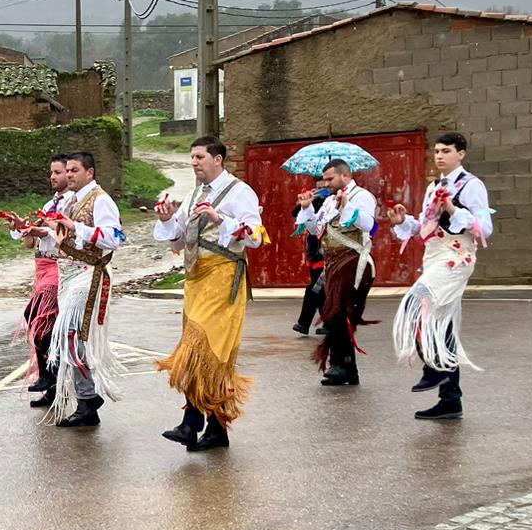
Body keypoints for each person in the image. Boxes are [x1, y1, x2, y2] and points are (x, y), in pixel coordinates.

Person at [153, 137, 268, 451]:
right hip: (195, 280)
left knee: (206, 350)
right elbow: (178, 240)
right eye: (191, 157)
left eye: (199, 156)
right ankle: (210, 429)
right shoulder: (192, 195)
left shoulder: (239, 192)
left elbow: (256, 235)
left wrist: (222, 219)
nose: (194, 162)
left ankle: (194, 423)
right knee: (201, 352)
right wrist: (165, 219)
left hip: (223, 277)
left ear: (218, 159)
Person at [388, 132, 494, 421]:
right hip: (435, 257)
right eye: (436, 151)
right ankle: (451, 400)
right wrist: (403, 222)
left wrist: (454, 210)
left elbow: (484, 228)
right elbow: (425, 226)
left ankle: (434, 368)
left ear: (461, 154)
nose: (438, 156)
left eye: (445, 151)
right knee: (441, 325)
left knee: (415, 302)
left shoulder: (472, 185)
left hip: (456, 258)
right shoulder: (434, 186)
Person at [39, 151, 126, 427]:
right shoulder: (73, 201)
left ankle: (87, 400)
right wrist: (40, 231)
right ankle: (88, 401)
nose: (69, 175)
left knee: (68, 333)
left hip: (91, 274)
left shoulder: (101, 200)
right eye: (68, 170)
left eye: (74, 170)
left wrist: (77, 228)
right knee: (72, 339)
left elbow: (115, 237)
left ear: (90, 172)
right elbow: (65, 238)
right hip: (69, 274)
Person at [294, 157, 377, 387]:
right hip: (332, 264)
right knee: (335, 313)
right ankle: (346, 368)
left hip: (354, 261)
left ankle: (339, 365)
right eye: (325, 179)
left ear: (345, 176)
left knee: (337, 312)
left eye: (330, 179)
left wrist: (346, 206)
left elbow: (370, 225)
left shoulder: (362, 196)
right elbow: (314, 230)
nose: (326, 183)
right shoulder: (329, 201)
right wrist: (307, 207)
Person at [12, 154, 70, 409]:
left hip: (60, 267)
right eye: (52, 172)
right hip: (42, 269)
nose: (53, 177)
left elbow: (58, 231)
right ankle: (52, 387)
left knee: (36, 315)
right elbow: (31, 243)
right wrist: (23, 228)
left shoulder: (71, 204)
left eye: (57, 172)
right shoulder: (50, 204)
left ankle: (48, 376)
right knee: (46, 326)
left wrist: (41, 229)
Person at [292, 177, 329, 336]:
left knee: (315, 288)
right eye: (318, 187)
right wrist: (306, 202)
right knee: (320, 291)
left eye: (325, 187)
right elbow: (295, 213)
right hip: (314, 251)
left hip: (327, 253)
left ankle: (304, 323)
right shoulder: (313, 202)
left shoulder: (333, 203)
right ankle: (329, 323)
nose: (322, 190)